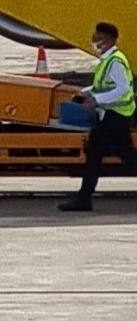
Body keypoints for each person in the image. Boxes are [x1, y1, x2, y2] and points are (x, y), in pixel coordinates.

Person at [60, 21, 134, 211]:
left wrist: (97, 100)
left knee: (102, 153)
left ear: (107, 41)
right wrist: (84, 93)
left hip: (116, 116)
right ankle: (84, 198)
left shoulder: (115, 61)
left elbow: (123, 88)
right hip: (111, 116)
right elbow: (103, 85)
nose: (94, 42)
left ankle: (84, 199)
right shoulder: (107, 60)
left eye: (97, 39)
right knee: (107, 154)